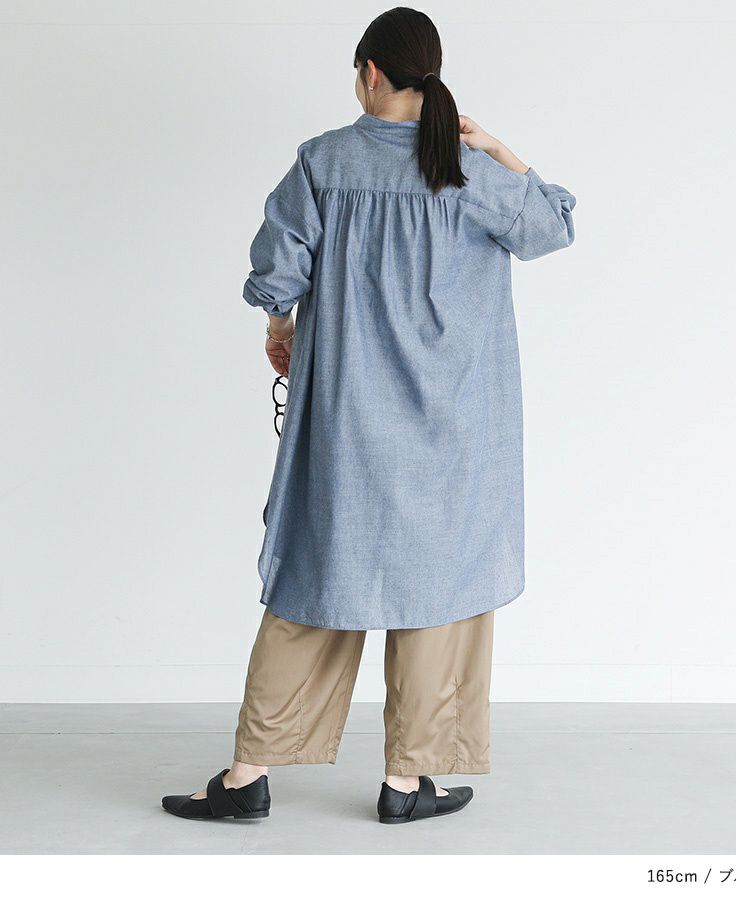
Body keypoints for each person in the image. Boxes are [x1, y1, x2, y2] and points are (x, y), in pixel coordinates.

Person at [162, 6, 575, 825]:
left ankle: (247, 776)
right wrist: (497, 148)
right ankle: (406, 781)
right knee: (440, 596)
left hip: (346, 422)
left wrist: (280, 330)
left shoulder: (323, 161)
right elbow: (553, 225)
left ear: (370, 73)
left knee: (315, 582)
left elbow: (276, 273)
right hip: (455, 433)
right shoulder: (467, 171)